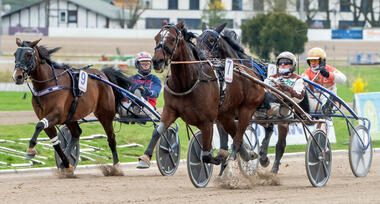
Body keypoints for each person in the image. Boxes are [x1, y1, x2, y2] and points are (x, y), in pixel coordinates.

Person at [256, 51, 306, 118]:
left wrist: (286, 88)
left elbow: (299, 96)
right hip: (269, 104)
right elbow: (262, 90)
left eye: (286, 63)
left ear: (293, 65)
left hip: (287, 106)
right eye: (280, 62)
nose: (282, 64)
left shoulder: (297, 79)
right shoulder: (271, 77)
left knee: (283, 119)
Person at [302, 47, 346, 114]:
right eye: (311, 61)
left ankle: (327, 109)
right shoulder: (307, 72)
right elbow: (302, 81)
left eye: (315, 61)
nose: (313, 63)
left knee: (326, 94)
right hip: (313, 102)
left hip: (330, 102)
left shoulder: (330, 70)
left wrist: (329, 75)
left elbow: (343, 79)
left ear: (322, 61)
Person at [120, 51, 162, 117]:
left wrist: (144, 91)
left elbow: (155, 94)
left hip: (148, 108)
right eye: (143, 64)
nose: (146, 66)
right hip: (130, 106)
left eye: (148, 64)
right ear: (137, 65)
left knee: (138, 91)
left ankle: (136, 112)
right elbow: (123, 93)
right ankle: (134, 111)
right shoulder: (131, 79)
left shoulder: (155, 79)